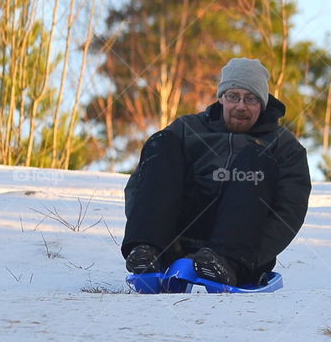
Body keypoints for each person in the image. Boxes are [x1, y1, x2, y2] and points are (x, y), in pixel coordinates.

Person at [121, 57, 312, 287]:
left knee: (255, 159)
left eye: (250, 98)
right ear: (221, 98)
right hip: (179, 236)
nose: (241, 106)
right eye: (233, 96)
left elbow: (289, 212)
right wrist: (148, 232)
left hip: (240, 248)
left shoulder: (284, 147)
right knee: (162, 142)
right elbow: (141, 183)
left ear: (262, 103)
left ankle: (224, 260)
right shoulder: (187, 129)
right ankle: (149, 250)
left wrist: (252, 257)